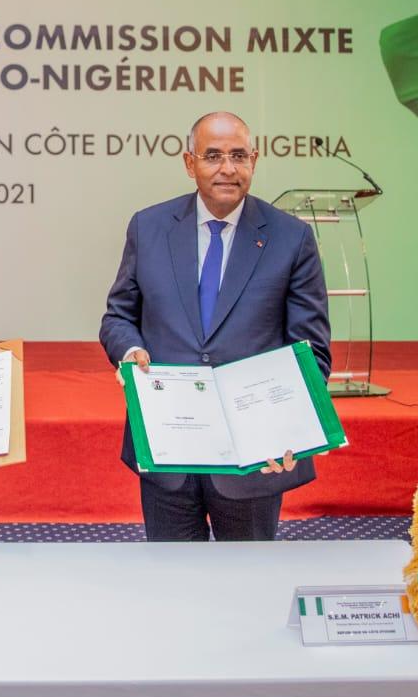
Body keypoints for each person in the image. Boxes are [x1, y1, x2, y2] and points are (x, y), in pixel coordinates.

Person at [100, 112, 331, 542]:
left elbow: (310, 349)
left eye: (238, 156)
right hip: (169, 452)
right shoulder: (148, 227)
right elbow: (118, 316)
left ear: (254, 161)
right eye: (213, 156)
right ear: (190, 164)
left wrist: (289, 427)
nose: (227, 168)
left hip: (254, 458)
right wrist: (130, 352)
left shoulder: (291, 238)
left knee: (246, 579)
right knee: (171, 577)